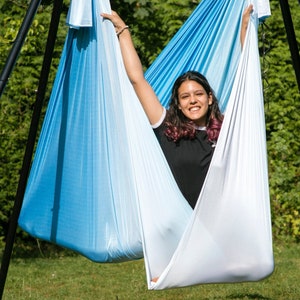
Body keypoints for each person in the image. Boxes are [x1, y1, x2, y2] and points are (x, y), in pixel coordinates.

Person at [101, 5, 253, 209]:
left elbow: (246, 85)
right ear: (179, 104)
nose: (192, 100)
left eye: (198, 94)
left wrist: (245, 30)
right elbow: (137, 80)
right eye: (185, 96)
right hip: (178, 227)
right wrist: (123, 31)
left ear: (209, 98)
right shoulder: (166, 128)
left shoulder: (226, 129)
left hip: (219, 227)